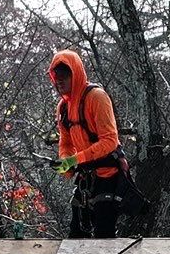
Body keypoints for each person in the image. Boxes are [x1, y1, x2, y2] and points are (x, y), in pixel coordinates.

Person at [49, 49, 138, 238]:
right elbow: (65, 142)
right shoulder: (63, 107)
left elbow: (110, 141)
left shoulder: (96, 97)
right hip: (86, 179)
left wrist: (75, 160)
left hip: (109, 176)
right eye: (57, 75)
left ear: (77, 73)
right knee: (76, 236)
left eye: (65, 75)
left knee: (103, 239)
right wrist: (66, 162)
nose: (60, 80)